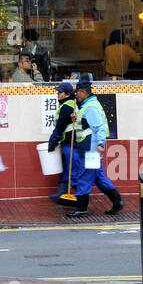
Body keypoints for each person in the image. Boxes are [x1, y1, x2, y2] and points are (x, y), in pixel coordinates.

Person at [75, 76, 122, 214]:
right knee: (98, 177)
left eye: (77, 92)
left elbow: (100, 128)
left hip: (90, 149)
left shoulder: (90, 107)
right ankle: (117, 201)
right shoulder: (89, 105)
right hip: (91, 148)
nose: (76, 94)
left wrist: (100, 145)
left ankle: (81, 208)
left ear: (84, 93)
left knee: (84, 176)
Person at [46, 82, 93, 215]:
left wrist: (52, 141)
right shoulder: (70, 104)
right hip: (71, 142)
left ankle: (79, 199)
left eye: (60, 92)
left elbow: (60, 127)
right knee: (69, 167)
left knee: (74, 169)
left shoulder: (67, 106)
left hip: (71, 142)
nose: (57, 94)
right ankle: (65, 192)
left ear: (66, 94)